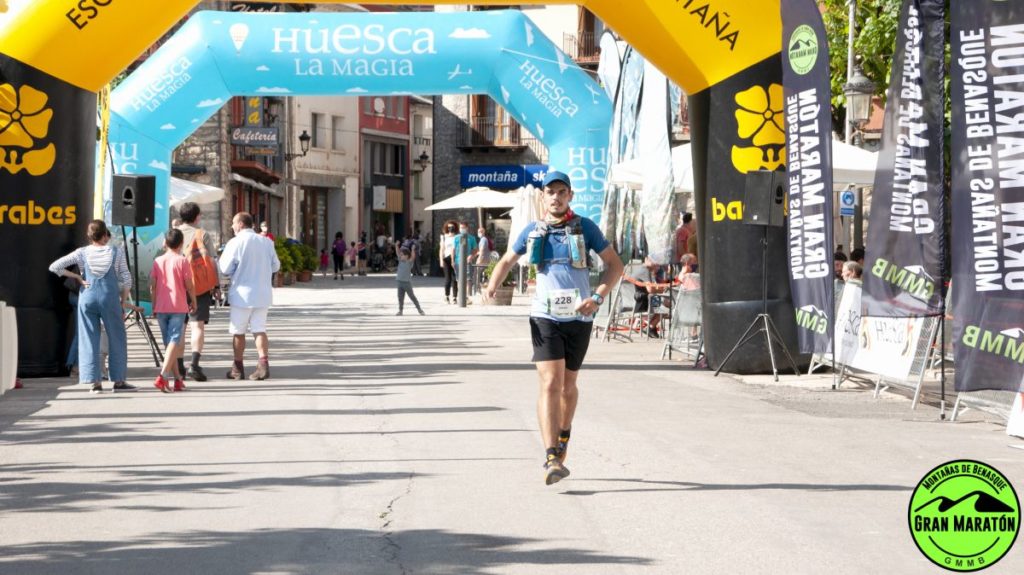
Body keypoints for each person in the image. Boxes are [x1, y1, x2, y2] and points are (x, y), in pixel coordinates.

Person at [485, 170, 623, 486]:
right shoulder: (533, 230)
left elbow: (615, 265)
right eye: (551, 192)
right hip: (544, 316)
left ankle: (563, 434)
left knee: (567, 386)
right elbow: (506, 260)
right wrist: (493, 283)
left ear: (570, 196)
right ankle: (550, 457)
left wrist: (597, 298)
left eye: (562, 192)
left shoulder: (585, 227)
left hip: (580, 318)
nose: (556, 197)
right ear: (543, 197)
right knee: (550, 382)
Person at [49, 220, 138, 394]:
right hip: (109, 298)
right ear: (105, 235)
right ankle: (119, 381)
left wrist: (77, 276)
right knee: (117, 337)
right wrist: (122, 300)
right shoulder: (116, 251)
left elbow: (55, 267)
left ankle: (94, 383)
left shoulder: (81, 252)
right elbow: (127, 279)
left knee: (88, 338)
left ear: (89, 236)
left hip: (87, 297)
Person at [219, 212, 281, 381]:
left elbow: (225, 268)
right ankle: (263, 364)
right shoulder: (266, 242)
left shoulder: (235, 242)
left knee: (238, 331)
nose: (232, 226)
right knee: (259, 329)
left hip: (242, 294)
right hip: (262, 293)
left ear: (240, 224)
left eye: (233, 223)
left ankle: (237, 368)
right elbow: (276, 266)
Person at [150, 228, 197, 393]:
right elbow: (189, 285)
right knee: (174, 341)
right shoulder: (182, 261)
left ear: (166, 243)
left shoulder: (157, 261)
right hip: (178, 306)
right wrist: (194, 301)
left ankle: (177, 379)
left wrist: (154, 305)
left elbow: (152, 286)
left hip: (161, 306)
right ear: (181, 243)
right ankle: (163, 376)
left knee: (169, 344)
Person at [178, 202, 218, 383]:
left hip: (177, 286)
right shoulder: (202, 235)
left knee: (180, 326)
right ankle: (194, 364)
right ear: (196, 217)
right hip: (198, 286)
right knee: (197, 325)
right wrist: (216, 286)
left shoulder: (173, 234)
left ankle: (179, 366)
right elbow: (211, 261)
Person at [395, 247, 425, 316]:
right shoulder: (400, 261)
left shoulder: (409, 262)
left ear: (407, 256)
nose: (400, 256)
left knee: (412, 297)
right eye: (400, 255)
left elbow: (413, 257)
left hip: (407, 283)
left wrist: (413, 250)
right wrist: (396, 246)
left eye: (402, 255)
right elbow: (397, 252)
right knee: (400, 298)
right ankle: (400, 311)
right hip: (399, 282)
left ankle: (419, 309)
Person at [452, 222, 479, 297]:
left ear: (467, 228)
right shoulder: (456, 238)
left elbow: (476, 249)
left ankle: (468, 296)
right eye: (461, 227)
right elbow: (453, 249)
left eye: (463, 227)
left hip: (467, 261)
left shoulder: (471, 238)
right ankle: (461, 296)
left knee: (468, 279)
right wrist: (452, 260)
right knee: (459, 279)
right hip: (458, 261)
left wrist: (471, 256)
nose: (462, 229)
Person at [440, 220, 458, 303]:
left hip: (455, 259)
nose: (451, 228)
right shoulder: (444, 237)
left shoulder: (457, 237)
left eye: (452, 227)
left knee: (455, 279)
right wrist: (441, 260)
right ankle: (447, 296)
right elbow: (442, 249)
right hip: (446, 258)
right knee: (448, 279)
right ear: (446, 228)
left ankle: (454, 297)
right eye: (449, 227)